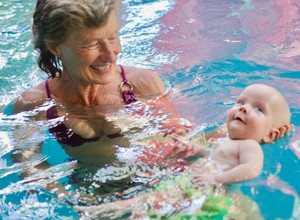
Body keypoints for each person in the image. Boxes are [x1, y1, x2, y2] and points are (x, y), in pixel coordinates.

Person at [75, 84, 293, 218]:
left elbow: (251, 169)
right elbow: (213, 155)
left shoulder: (250, 145)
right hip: (194, 186)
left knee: (153, 201)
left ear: (271, 135)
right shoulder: (228, 141)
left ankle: (105, 210)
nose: (244, 107)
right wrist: (195, 149)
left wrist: (216, 178)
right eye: (241, 101)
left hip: (209, 193)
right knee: (157, 204)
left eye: (258, 109)